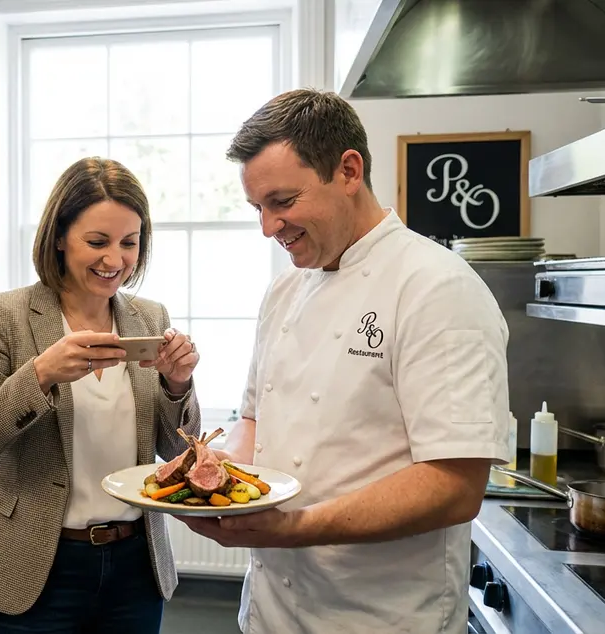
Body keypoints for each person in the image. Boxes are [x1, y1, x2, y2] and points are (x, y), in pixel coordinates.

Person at [179, 88, 511, 633]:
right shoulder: (283, 291)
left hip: (379, 616)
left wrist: (293, 527)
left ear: (349, 170)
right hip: (271, 611)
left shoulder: (438, 288)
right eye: (257, 208)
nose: (268, 227)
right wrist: (208, 489)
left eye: (282, 203)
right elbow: (256, 421)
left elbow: (454, 485)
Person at [0, 156, 202, 633]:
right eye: (97, 242)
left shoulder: (149, 317)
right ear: (60, 237)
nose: (115, 260)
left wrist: (177, 384)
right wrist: (39, 374)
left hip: (134, 567)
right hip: (32, 565)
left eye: (129, 242)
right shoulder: (5, 316)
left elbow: (177, 451)